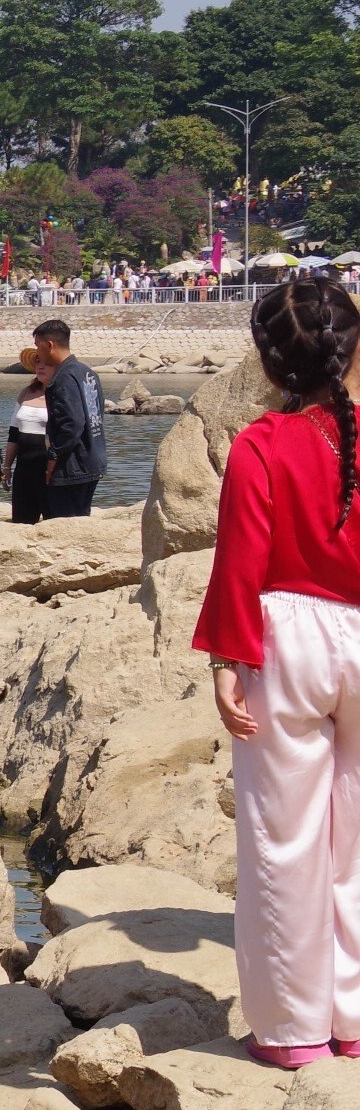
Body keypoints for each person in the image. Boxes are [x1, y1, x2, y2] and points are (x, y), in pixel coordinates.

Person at [192, 277, 360, 1070]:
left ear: (270, 363)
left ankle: (294, 1031)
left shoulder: (262, 443)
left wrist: (229, 659)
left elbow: (241, 562)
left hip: (287, 633)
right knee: (357, 838)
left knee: (283, 837)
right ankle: (354, 1017)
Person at [33, 318, 106, 519]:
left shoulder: (64, 377)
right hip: (93, 458)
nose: (37, 353)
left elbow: (72, 424)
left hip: (72, 465)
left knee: (63, 523)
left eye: (37, 347)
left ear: (49, 345)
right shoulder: (87, 372)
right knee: (80, 519)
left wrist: (53, 457)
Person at [3, 350, 54, 525]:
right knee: (21, 520)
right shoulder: (26, 392)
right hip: (24, 466)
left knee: (52, 519)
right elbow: (14, 433)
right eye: (37, 362)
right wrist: (7, 466)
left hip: (50, 466)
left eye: (46, 363)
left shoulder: (60, 393)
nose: (40, 367)